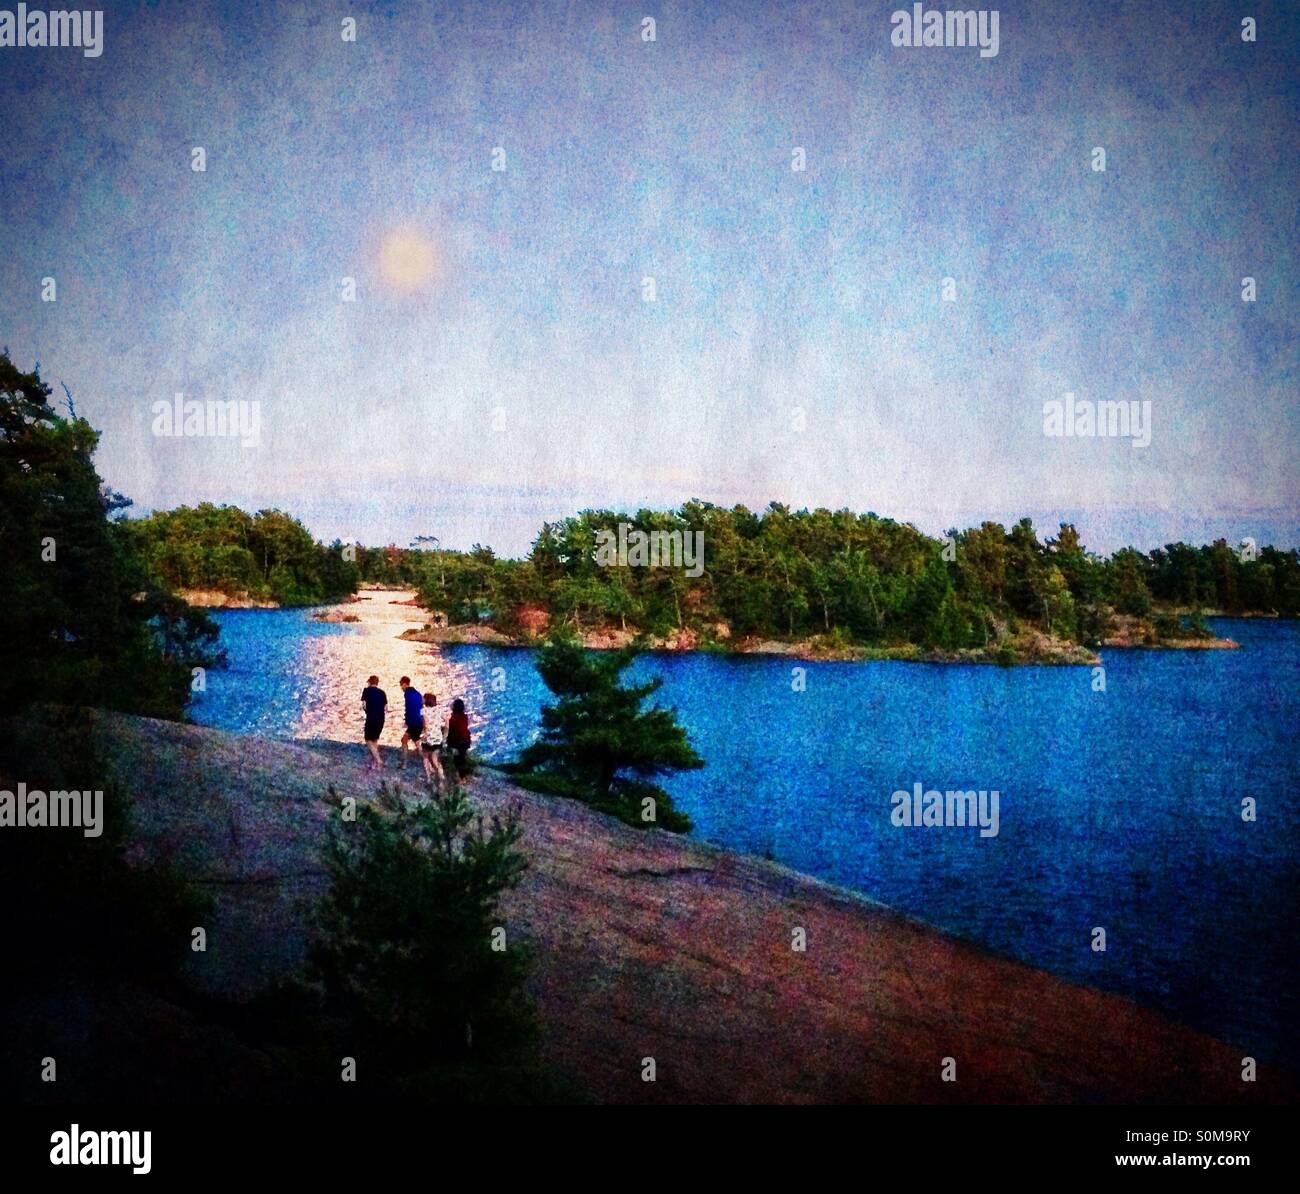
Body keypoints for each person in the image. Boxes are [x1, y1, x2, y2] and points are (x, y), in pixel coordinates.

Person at [360, 675, 387, 771]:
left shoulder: (366, 691)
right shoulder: (382, 693)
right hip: (381, 718)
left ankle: (379, 760)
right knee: (375, 739)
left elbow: (363, 705)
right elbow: (386, 708)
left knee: (368, 739)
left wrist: (368, 711)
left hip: (371, 717)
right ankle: (375, 764)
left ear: (369, 682)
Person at [419, 692, 445, 786]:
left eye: (423, 698)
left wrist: (424, 734)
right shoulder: (439, 710)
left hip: (428, 737)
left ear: (426, 700)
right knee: (435, 758)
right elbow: (446, 720)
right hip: (438, 737)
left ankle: (429, 778)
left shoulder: (423, 710)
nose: (422, 700)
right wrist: (445, 732)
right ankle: (441, 776)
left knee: (425, 757)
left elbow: (424, 724)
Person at [399, 676, 424, 770]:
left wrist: (407, 721)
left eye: (401, 685)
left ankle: (405, 764)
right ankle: (425, 761)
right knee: (415, 741)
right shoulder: (417, 693)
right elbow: (421, 705)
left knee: (406, 740)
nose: (401, 687)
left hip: (413, 722)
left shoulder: (407, 693)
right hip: (419, 721)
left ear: (405, 684)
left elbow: (409, 708)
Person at [447, 697, 471, 782]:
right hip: (466, 740)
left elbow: (452, 731)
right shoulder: (465, 717)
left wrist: (449, 742)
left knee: (457, 759)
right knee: (462, 757)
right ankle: (463, 776)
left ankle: (460, 777)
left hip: (458, 741)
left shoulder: (453, 719)